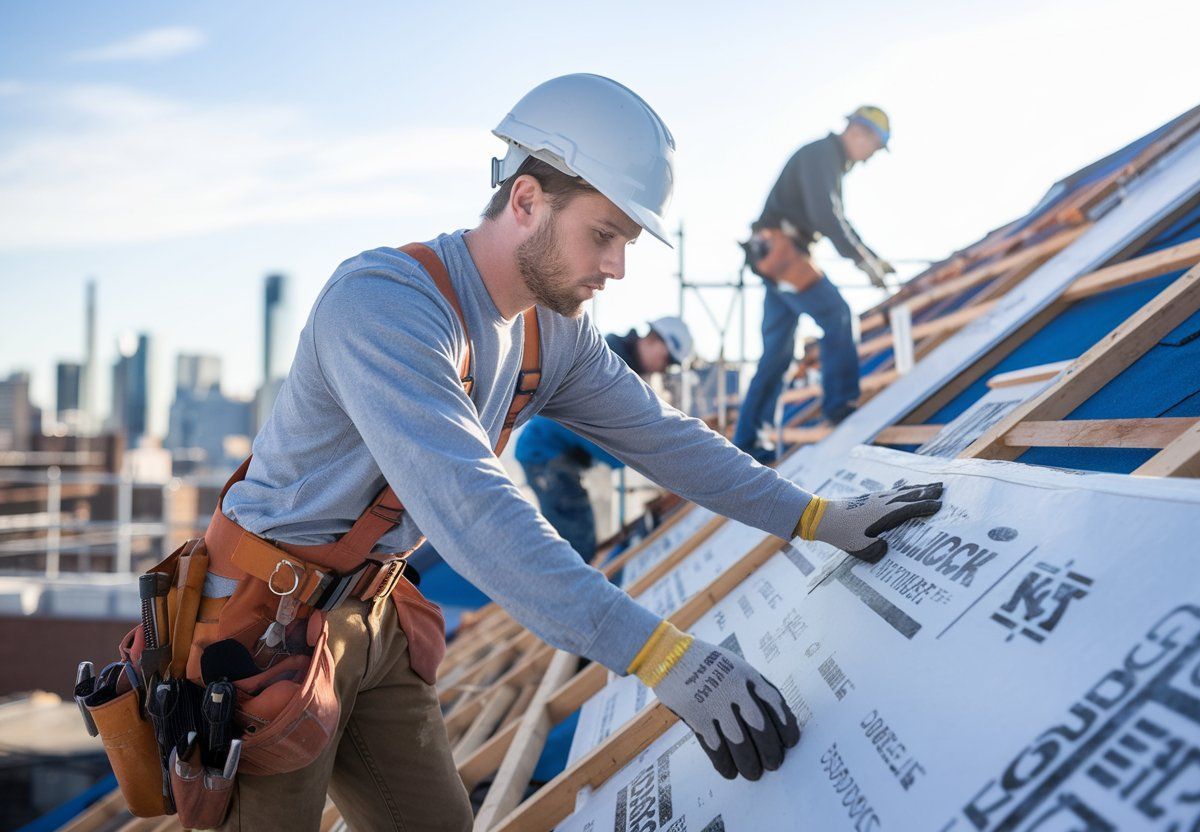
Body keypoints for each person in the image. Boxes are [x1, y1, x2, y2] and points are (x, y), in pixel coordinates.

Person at [200, 76, 942, 830]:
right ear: (525, 201)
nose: (618, 267)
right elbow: (469, 505)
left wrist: (814, 517)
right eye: (605, 235)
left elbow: (665, 438)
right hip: (264, 630)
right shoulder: (385, 304)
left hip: (372, 614)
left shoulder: (547, 331)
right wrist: (659, 655)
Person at [733, 106, 895, 462]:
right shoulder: (824, 155)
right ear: (858, 132)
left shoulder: (825, 159)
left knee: (777, 354)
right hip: (783, 254)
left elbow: (835, 216)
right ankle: (839, 405)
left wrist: (870, 254)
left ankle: (747, 441)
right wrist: (862, 261)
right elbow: (827, 216)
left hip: (776, 254)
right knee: (837, 315)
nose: (869, 159)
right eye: (873, 147)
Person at [516, 317, 693, 561]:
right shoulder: (609, 364)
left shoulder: (620, 364)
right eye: (667, 360)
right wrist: (629, 456)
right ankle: (556, 596)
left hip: (553, 454)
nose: (664, 369)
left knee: (574, 542)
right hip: (546, 453)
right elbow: (586, 425)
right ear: (656, 342)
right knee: (576, 545)